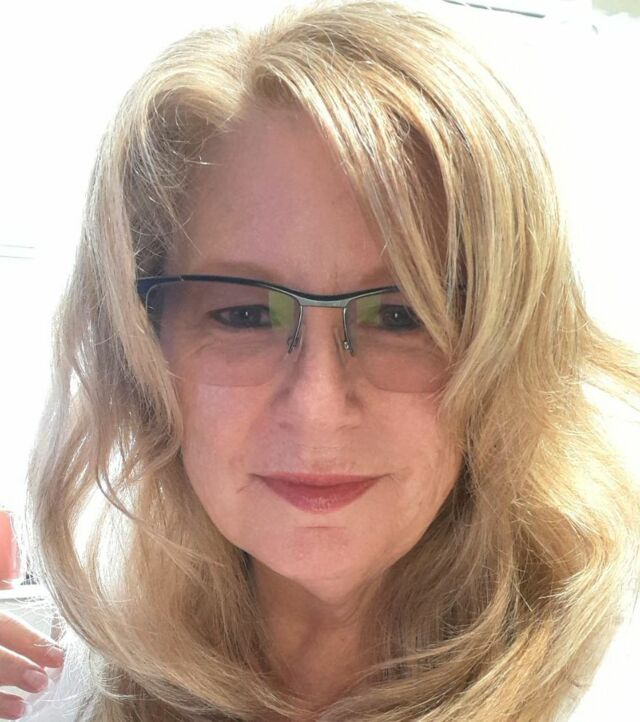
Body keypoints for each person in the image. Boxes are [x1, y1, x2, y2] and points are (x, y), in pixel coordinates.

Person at [2, 0, 639, 719]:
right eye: (244, 314)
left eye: (402, 316)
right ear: (143, 349)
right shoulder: (63, 693)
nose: (317, 408)